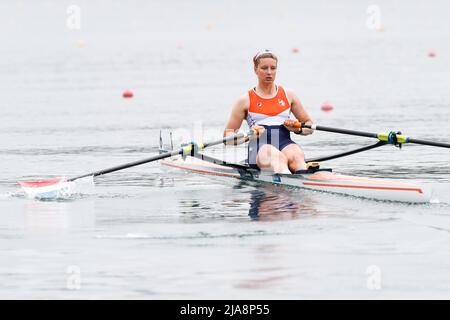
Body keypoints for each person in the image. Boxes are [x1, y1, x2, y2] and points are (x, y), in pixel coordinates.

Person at [224, 50, 314, 173]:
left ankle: (303, 178)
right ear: (255, 69)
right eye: (264, 68)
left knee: (296, 155)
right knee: (277, 157)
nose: (269, 72)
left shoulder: (289, 95)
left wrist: (298, 129)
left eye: (273, 68)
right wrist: (249, 135)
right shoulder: (244, 100)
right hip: (259, 148)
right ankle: (289, 181)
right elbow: (227, 137)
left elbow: (309, 125)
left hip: (285, 142)